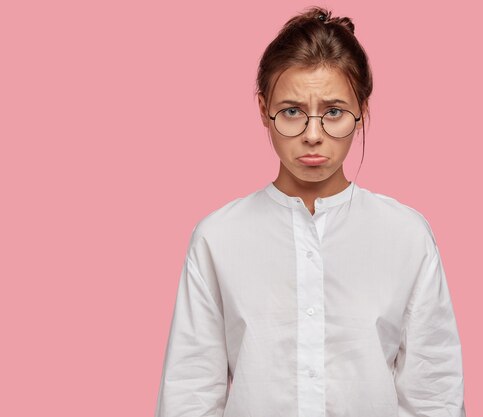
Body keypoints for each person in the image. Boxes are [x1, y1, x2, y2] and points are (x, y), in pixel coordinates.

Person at [155, 6, 466, 417]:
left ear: (362, 111)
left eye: (334, 111)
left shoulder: (406, 235)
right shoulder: (218, 237)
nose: (313, 135)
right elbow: (189, 393)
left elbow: (434, 394)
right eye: (292, 112)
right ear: (264, 111)